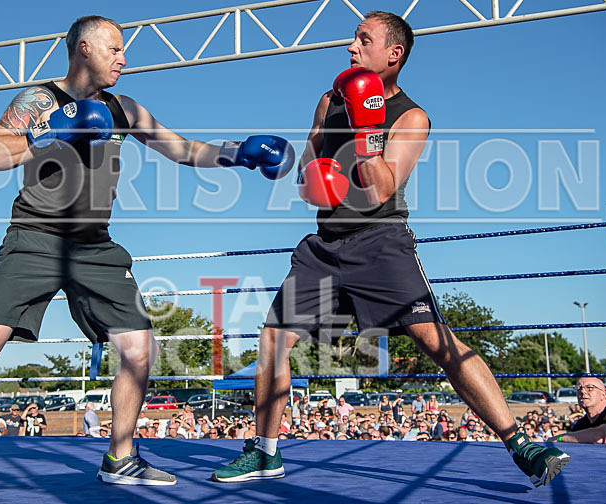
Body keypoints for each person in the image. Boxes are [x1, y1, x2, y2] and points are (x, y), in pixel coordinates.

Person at [0, 14, 293, 498]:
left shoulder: (123, 109)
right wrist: (53, 136)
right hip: (35, 236)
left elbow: (181, 148)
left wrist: (238, 153)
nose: (123, 58)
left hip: (95, 244)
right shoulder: (39, 101)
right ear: (84, 48)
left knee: (139, 348)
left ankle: (121, 456)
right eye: (114, 48)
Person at [212, 11, 569, 488]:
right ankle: (265, 452)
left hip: (381, 242)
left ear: (393, 54)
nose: (350, 48)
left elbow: (381, 189)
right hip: (324, 246)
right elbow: (307, 180)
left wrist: (367, 132)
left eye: (364, 40)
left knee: (435, 341)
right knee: (274, 340)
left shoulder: (413, 116)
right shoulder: (328, 101)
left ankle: (520, 442)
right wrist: (282, 166)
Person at [556, 377, 606, 444]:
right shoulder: (581, 424)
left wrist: (560, 438)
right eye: (579, 388)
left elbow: (599, 437)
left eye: (590, 388)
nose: (583, 391)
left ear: (603, 395)